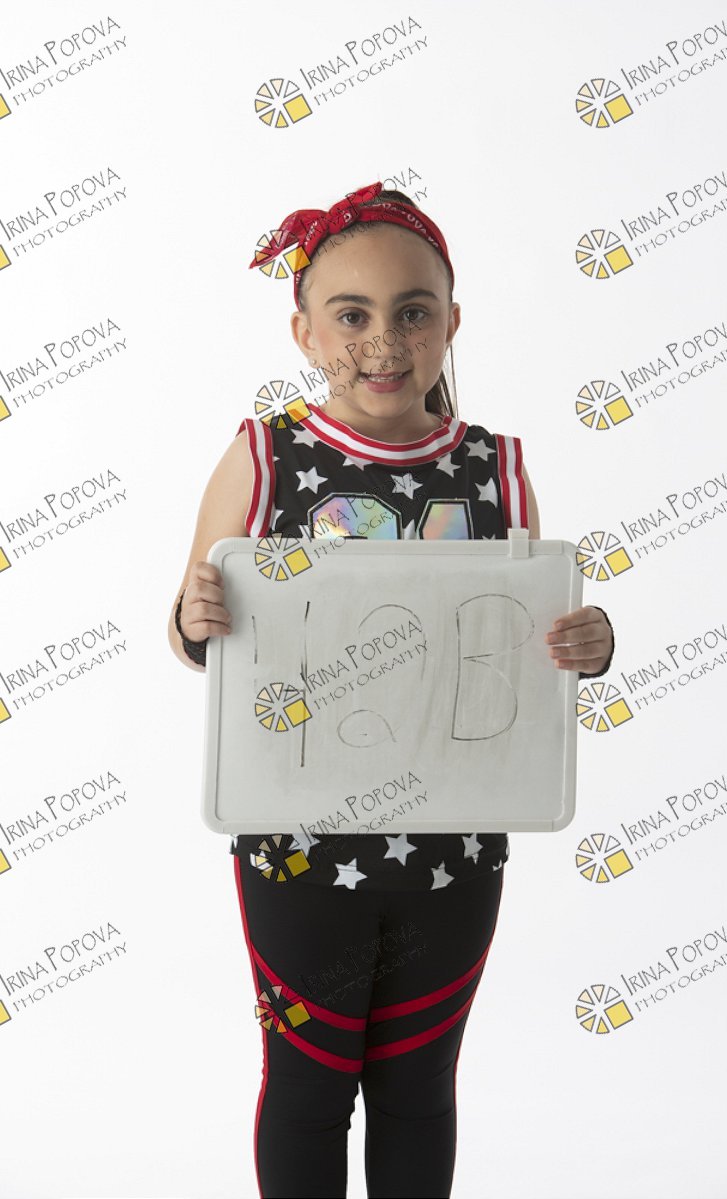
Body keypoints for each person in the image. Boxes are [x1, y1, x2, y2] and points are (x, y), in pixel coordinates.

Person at [167, 181, 615, 1199]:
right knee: (306, 1086)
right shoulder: (264, 455)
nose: (383, 341)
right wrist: (195, 616)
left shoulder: (495, 466)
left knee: (417, 1086)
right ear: (303, 331)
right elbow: (195, 636)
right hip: (294, 842)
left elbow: (526, 639)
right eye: (351, 315)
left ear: (451, 322)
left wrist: (588, 642)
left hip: (454, 846)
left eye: (413, 312)